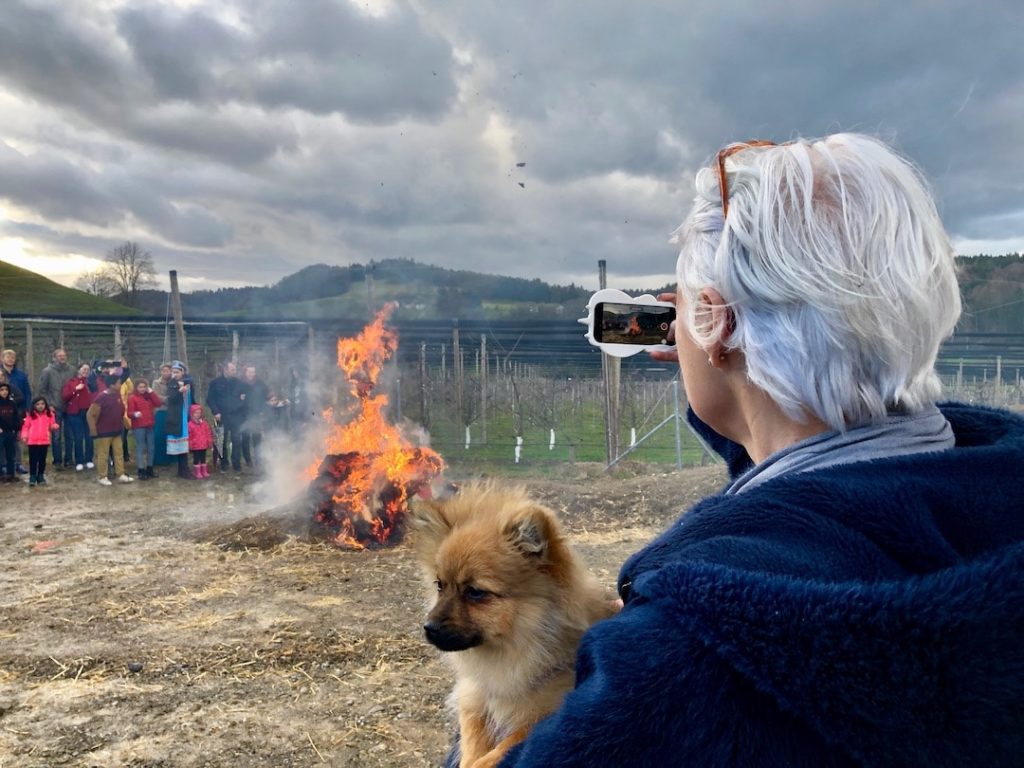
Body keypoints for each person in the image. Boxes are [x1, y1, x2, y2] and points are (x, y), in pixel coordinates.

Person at [467, 135, 1024, 767]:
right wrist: (724, 375)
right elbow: (838, 504)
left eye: (687, 310)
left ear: (718, 323)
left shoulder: (689, 652)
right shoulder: (988, 503)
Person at [86, 373, 134, 486]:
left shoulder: (117, 395)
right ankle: (102, 476)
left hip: (117, 430)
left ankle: (120, 474)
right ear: (111, 385)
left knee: (119, 453)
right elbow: (90, 414)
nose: (120, 385)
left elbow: (121, 409)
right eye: (118, 383)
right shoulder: (101, 397)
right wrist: (93, 430)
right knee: (103, 455)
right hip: (104, 432)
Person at [37, 348, 75, 469]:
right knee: (56, 436)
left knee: (70, 435)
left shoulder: (72, 370)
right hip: (55, 407)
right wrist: (49, 405)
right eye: (59, 356)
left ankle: (69, 459)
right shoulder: (47, 371)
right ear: (54, 358)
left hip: (70, 407)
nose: (62, 357)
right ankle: (57, 461)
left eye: (64, 355)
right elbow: (42, 390)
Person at [206, 361, 247, 473]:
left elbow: (244, 397)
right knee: (221, 441)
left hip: (236, 416)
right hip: (221, 416)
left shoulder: (239, 383)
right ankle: (224, 463)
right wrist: (216, 412)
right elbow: (210, 399)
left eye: (235, 369)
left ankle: (236, 464)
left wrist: (241, 403)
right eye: (232, 369)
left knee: (236, 440)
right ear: (226, 370)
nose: (235, 371)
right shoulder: (215, 383)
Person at [61, 363, 96, 471]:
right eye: (84, 369)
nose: (86, 371)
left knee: (89, 437)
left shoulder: (90, 382)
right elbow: (65, 396)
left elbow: (95, 393)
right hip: (75, 413)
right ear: (78, 370)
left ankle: (89, 459)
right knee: (78, 437)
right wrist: (75, 389)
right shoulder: (71, 382)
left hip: (88, 412)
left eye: (88, 369)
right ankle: (79, 460)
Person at [2, 349, 30, 474]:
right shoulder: (1, 373)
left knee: (17, 439)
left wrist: (27, 409)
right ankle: (3, 464)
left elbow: (26, 394)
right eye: (7, 357)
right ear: (2, 359)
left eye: (12, 357)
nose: (10, 359)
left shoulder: (21, 375)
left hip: (16, 413)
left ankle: (18, 463)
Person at [127, 378, 163, 479]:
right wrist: (135, 414)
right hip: (138, 426)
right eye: (140, 387)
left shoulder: (149, 397)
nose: (142, 389)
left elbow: (158, 403)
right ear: (136, 388)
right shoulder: (132, 397)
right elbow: (129, 413)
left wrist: (152, 393)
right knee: (140, 447)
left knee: (151, 447)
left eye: (144, 387)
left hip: (149, 425)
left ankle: (150, 468)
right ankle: (141, 470)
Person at [20, 396, 60, 487]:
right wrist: (24, 436)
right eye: (37, 404)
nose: (40, 406)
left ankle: (41, 475)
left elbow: (52, 424)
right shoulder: (30, 415)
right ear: (34, 406)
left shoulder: (50, 415)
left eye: (42, 404)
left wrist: (54, 426)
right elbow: (25, 427)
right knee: (33, 460)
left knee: (42, 460)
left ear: (45, 405)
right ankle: (33, 476)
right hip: (32, 442)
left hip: (44, 441)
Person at [164, 361, 192, 479]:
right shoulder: (171, 383)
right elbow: (171, 399)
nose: (175, 374)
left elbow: (191, 393)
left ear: (182, 372)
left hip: (186, 415)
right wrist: (179, 391)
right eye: (173, 372)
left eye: (177, 372)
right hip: (177, 416)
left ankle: (183, 469)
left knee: (185, 445)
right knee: (181, 444)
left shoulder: (187, 382)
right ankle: (183, 470)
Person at [239, 364, 270, 470]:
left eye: (253, 372)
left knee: (257, 438)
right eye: (250, 372)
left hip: (256, 414)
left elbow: (266, 396)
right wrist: (240, 399)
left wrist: (263, 409)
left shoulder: (260, 384)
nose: (252, 374)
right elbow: (234, 398)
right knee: (245, 439)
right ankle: (248, 460)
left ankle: (258, 459)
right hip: (244, 415)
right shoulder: (240, 384)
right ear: (245, 372)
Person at [150, 363, 173, 466]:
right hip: (161, 410)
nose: (165, 373)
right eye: (163, 371)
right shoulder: (156, 382)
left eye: (167, 371)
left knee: (170, 435)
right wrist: (169, 399)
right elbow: (156, 396)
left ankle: (171, 458)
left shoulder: (174, 382)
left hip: (172, 411)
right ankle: (159, 459)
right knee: (159, 435)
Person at [186, 404, 215, 479]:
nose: (198, 415)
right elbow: (189, 435)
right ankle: (197, 472)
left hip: (203, 444)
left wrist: (209, 442)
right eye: (196, 413)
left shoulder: (204, 423)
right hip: (196, 446)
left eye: (199, 413)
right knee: (196, 459)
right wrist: (190, 444)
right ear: (192, 414)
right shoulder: (189, 424)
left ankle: (204, 471)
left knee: (203, 458)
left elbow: (208, 433)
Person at [0, 382, 21, 482]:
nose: (4, 392)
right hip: (1, 432)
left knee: (11, 454)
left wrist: (16, 429)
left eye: (6, 390)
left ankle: (10, 474)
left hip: (10, 432)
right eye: (2, 390)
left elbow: (16, 417)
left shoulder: (12, 403)